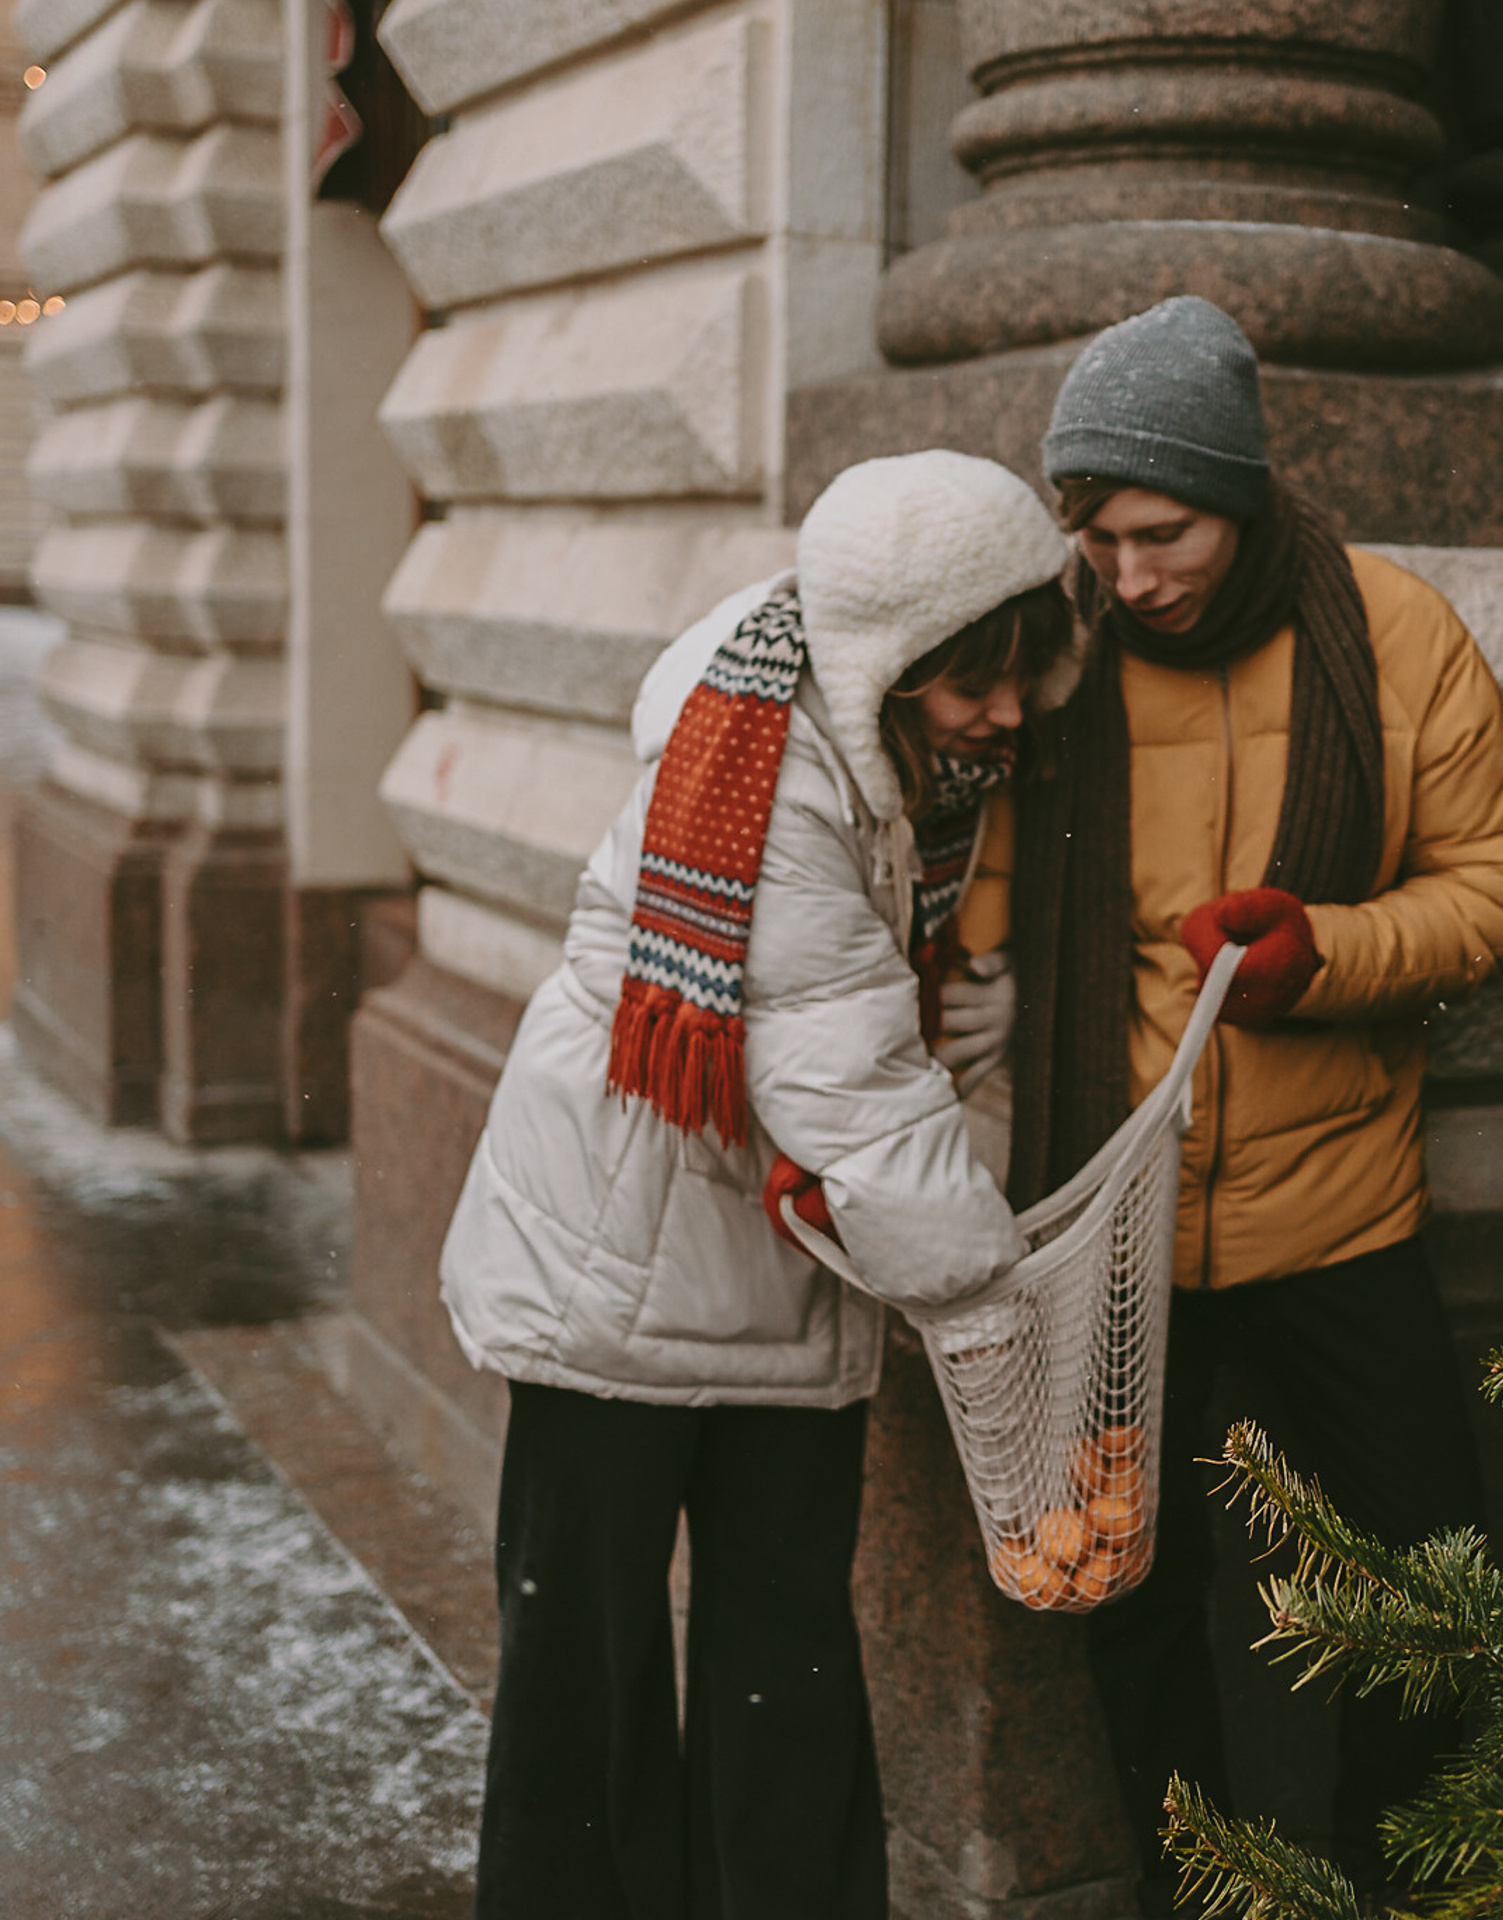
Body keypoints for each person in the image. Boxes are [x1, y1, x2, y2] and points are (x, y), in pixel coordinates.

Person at [438, 449, 1075, 1919]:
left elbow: (866, 1013)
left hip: (778, 1252)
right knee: (589, 1661)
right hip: (616, 1251)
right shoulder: (772, 776)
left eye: (1021, 669)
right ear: (887, 658)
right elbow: (849, 1082)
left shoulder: (892, 756)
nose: (1008, 710)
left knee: (784, 1651)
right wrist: (996, 1301)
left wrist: (980, 1002)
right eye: (974, 677)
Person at [1010, 297, 1503, 1909]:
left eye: (1161, 532)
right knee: (1129, 1594)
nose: (1128, 575)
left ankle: (1396, 1879)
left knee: (1423, 1572)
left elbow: (1499, 881)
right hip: (1117, 1223)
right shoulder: (1058, 652)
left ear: (1236, 498)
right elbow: (975, 913)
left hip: (1341, 1212)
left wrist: (1328, 954)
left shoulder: (1396, 631)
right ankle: (1202, 1893)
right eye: (1098, 537)